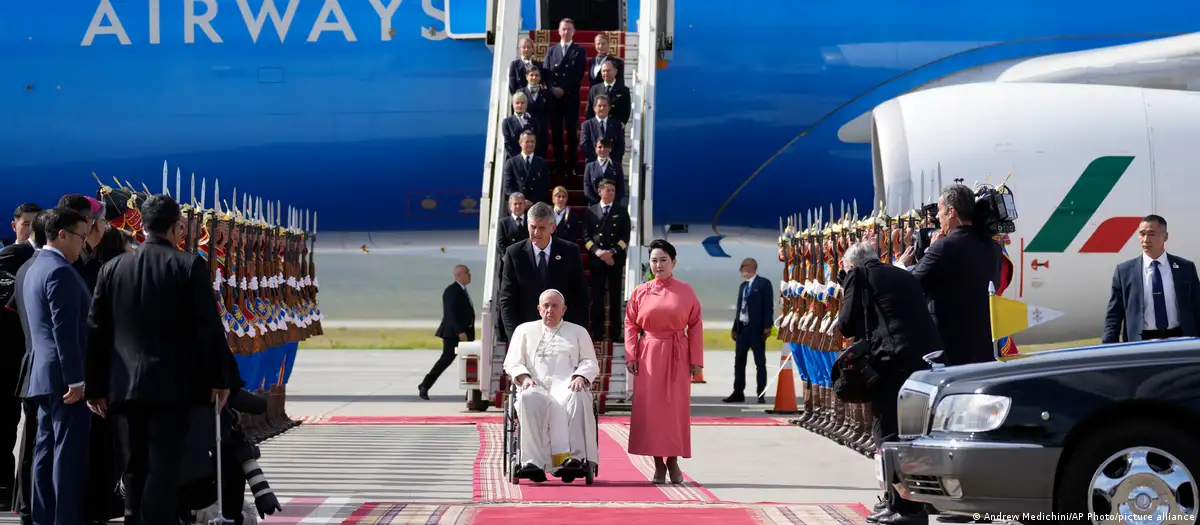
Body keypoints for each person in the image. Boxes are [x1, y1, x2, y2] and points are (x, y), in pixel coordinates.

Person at [85, 194, 233, 525]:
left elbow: (96, 330)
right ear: (175, 226)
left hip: (126, 386)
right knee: (165, 465)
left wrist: (95, 386)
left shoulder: (112, 268)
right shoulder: (188, 265)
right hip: (172, 386)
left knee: (137, 462)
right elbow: (208, 329)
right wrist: (220, 380)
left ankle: (134, 519)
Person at [837, 242, 941, 525]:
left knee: (887, 434)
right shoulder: (900, 274)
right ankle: (901, 501)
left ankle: (907, 510)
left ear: (852, 265)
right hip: (926, 360)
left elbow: (846, 325)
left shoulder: (859, 276)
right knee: (910, 434)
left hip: (896, 362)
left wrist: (847, 283)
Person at [16, 208, 93, 525]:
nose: (83, 245)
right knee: (66, 453)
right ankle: (65, 518)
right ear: (62, 234)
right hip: (64, 376)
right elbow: (64, 330)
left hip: (44, 374)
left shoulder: (35, 267)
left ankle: (45, 517)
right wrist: (76, 380)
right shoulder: (60, 271)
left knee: (46, 449)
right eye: (81, 237)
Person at [623, 239, 703, 484]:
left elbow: (696, 325)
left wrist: (696, 360)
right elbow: (630, 324)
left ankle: (673, 460)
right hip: (648, 356)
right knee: (651, 411)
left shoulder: (686, 291)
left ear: (674, 262)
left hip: (678, 354)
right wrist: (631, 354)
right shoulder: (640, 291)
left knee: (675, 410)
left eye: (663, 260)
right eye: (654, 260)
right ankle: (658, 463)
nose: (658, 265)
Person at [503, 289, 599, 482]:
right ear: (539, 309)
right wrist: (524, 378)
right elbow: (512, 362)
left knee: (577, 396)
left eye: (555, 306)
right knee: (529, 396)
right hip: (535, 384)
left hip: (567, 385)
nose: (550, 310)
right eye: (546, 306)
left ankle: (572, 459)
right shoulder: (524, 330)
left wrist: (580, 377)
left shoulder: (578, 332)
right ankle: (532, 462)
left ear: (563, 309)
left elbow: (590, 361)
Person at [899, 184, 1000, 366]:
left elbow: (910, 285)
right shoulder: (993, 247)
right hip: (984, 349)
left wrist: (925, 252)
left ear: (952, 212)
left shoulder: (944, 246)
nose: (937, 217)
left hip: (949, 349)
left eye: (940, 210)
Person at [498, 202, 589, 340]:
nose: (536, 233)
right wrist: (515, 337)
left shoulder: (570, 251)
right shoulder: (514, 254)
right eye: (533, 227)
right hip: (527, 334)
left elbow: (580, 295)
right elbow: (507, 300)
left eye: (542, 228)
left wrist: (578, 334)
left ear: (553, 227)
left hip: (563, 333)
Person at [1103, 214, 1200, 342]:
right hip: (1141, 341)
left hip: (1179, 338)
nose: (1145, 239)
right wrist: (1109, 346)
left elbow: (1197, 307)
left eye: (1151, 234)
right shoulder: (1125, 272)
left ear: (1165, 236)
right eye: (1141, 234)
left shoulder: (1185, 268)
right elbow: (1114, 315)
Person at [0, 203, 39, 510]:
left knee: (15, 423)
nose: (30, 229)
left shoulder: (44, 260)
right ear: (15, 226)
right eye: (25, 224)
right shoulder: (6, 260)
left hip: (26, 358)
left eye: (35, 224)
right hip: (6, 352)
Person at [583, 180, 630, 341]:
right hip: (597, 261)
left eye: (613, 190)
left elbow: (625, 237)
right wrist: (598, 252)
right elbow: (586, 237)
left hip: (614, 261)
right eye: (608, 190)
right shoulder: (591, 211)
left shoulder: (621, 211)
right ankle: (597, 333)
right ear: (599, 191)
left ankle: (615, 334)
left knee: (615, 298)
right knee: (597, 297)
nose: (611, 193)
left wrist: (612, 252)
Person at [419, 265, 475, 400]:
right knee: (446, 360)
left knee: (470, 362)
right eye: (468, 273)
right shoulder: (452, 291)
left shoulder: (461, 291)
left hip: (463, 334)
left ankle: (472, 393)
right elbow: (451, 314)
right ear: (460, 274)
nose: (470, 275)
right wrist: (460, 332)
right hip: (454, 334)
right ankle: (425, 385)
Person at [723, 258, 774, 404]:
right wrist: (735, 328)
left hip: (756, 329)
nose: (741, 271)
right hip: (742, 329)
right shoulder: (743, 287)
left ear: (750, 268)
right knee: (739, 361)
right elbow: (739, 309)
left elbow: (768, 306)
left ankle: (761, 392)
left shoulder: (763, 284)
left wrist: (767, 326)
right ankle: (738, 391)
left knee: (759, 362)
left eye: (742, 268)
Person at [543, 18, 586, 176]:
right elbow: (546, 72)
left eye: (569, 29)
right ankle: (559, 164)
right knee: (556, 132)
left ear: (573, 32)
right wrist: (553, 88)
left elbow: (579, 73)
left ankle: (572, 165)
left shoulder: (579, 51)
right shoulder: (551, 51)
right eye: (563, 29)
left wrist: (564, 89)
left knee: (571, 132)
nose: (566, 32)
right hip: (554, 98)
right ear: (559, 31)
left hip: (570, 97)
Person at [502, 131, 551, 205]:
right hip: (516, 205)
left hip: (535, 204)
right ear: (520, 143)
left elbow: (544, 186)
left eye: (532, 142)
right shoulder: (511, 162)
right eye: (527, 142)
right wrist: (520, 201)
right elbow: (508, 186)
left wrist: (531, 201)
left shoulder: (542, 163)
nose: (530, 144)